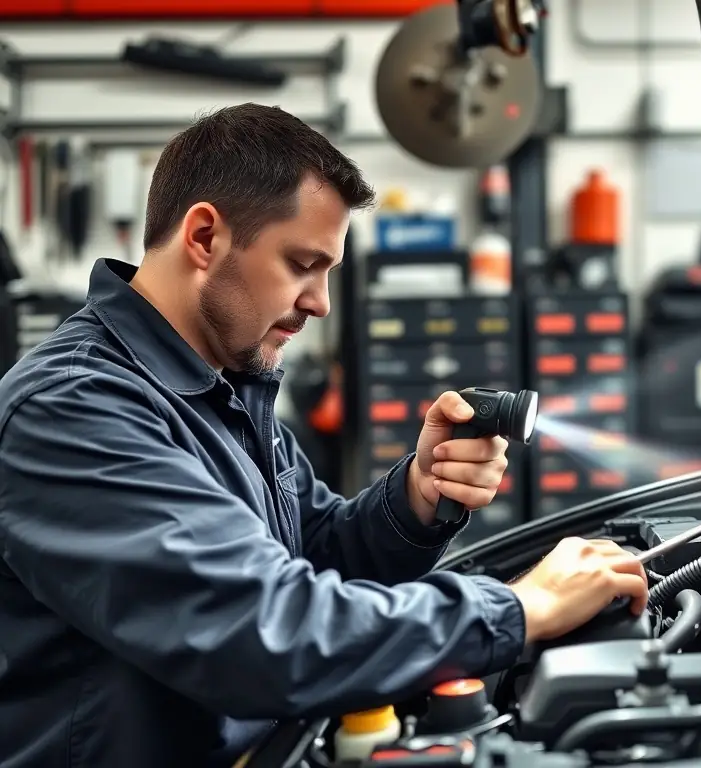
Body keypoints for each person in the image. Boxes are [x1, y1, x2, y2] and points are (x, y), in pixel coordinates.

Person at [0, 103, 648, 768]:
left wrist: (415, 499)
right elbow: (261, 631)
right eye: (303, 263)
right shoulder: (75, 408)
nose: (321, 302)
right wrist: (517, 609)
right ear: (203, 237)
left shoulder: (222, 385)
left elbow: (312, 554)